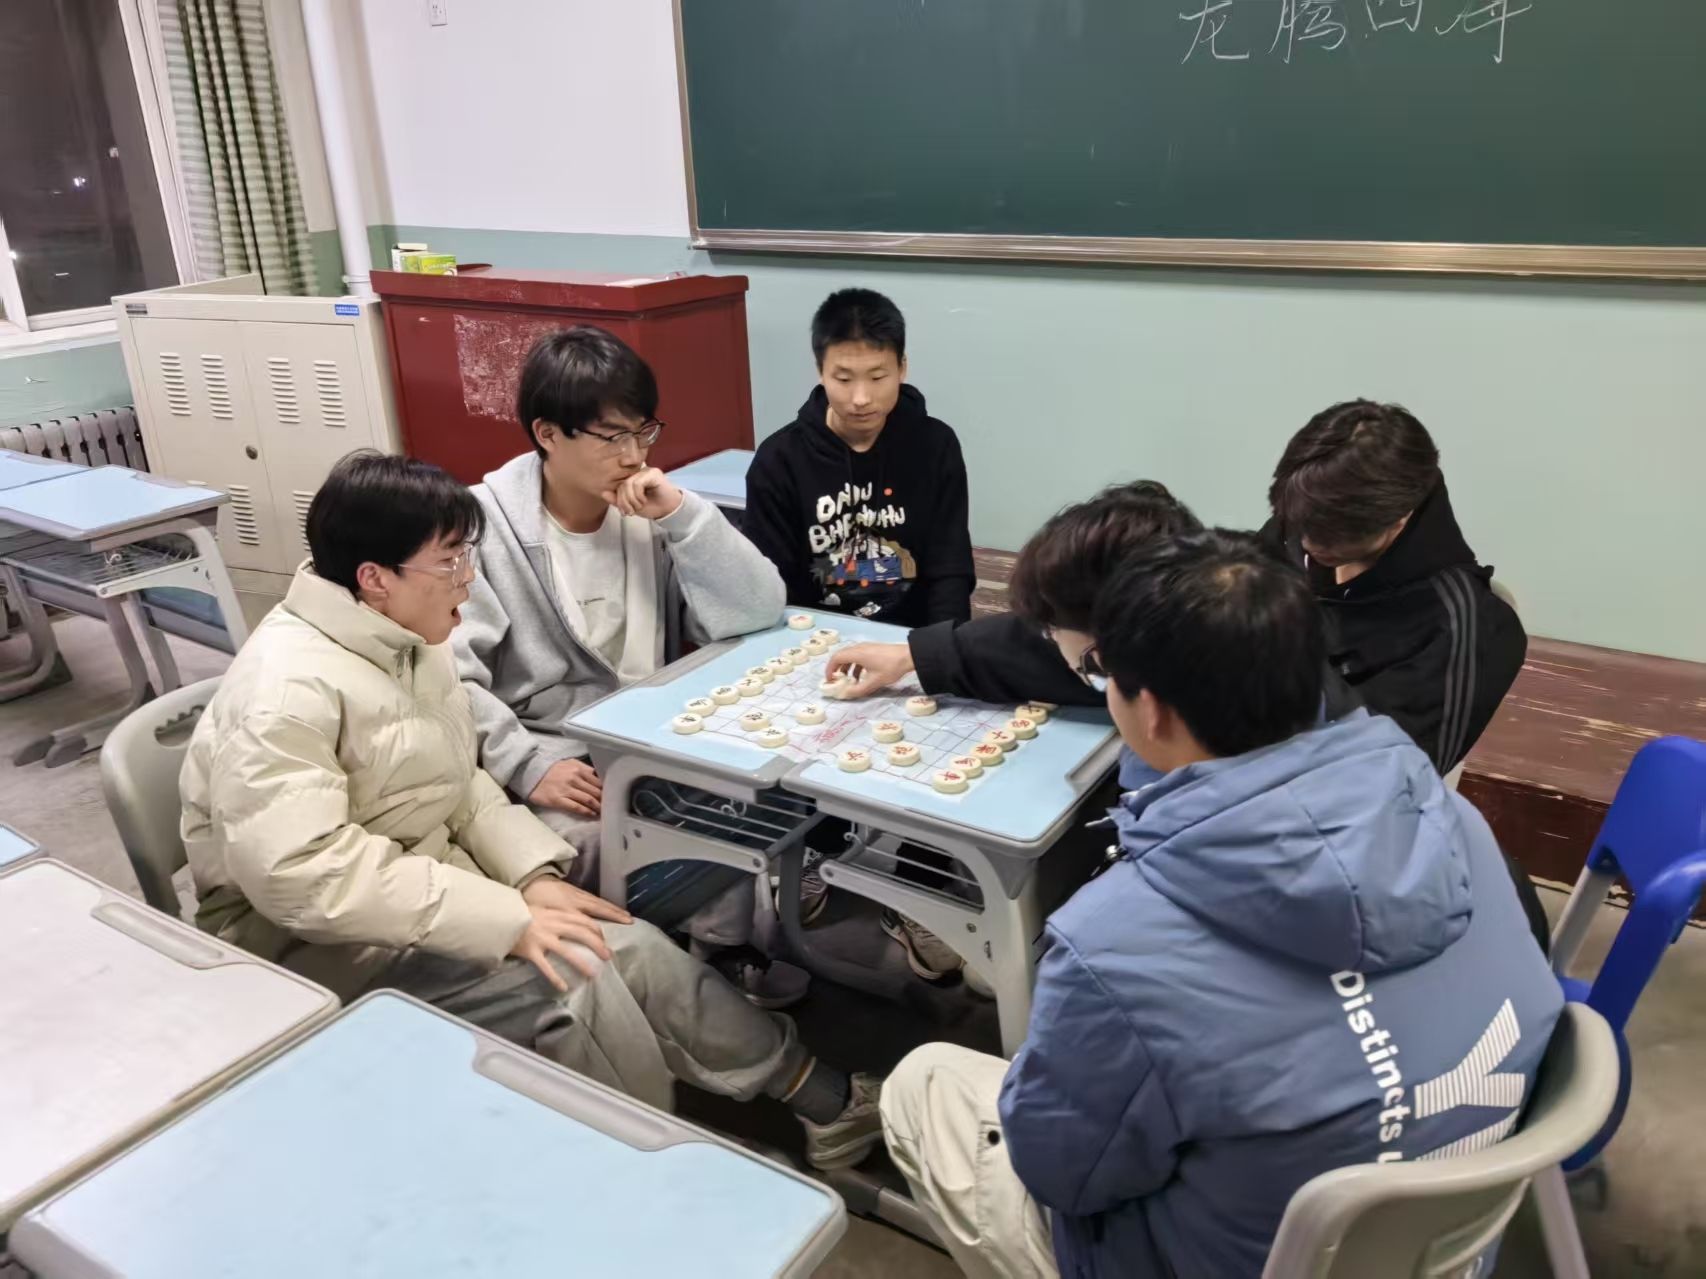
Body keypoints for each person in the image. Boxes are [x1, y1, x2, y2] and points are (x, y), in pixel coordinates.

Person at [879, 531, 1564, 1279]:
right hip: (1440, 1247)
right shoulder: (1458, 822)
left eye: (1102, 671)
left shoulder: (1111, 946)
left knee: (926, 1083)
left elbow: (1061, 1176)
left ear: (1151, 712)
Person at [180, 452, 880, 1170]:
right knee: (579, 984)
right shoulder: (285, 691)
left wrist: (532, 877)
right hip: (306, 948)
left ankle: (820, 1096)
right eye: (450, 561)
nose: (469, 579)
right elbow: (302, 876)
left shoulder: (407, 640)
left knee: (626, 941)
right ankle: (640, 1169)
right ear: (375, 578)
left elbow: (459, 779)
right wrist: (505, 917)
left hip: (419, 892)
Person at [452, 326, 785, 872]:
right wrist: (525, 764)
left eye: (643, 432)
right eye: (611, 437)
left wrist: (684, 515)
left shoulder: (652, 515)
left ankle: (761, 911)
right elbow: (450, 675)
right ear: (547, 433)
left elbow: (759, 610)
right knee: (608, 845)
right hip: (554, 750)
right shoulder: (479, 528)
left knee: (774, 794)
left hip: (658, 733)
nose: (634, 456)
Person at [1265, 398, 1526, 775]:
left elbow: (1389, 779)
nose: (1307, 543)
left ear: (1400, 517)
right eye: (1298, 525)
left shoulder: (1461, 631)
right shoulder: (1308, 520)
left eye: (1329, 536)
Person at [743, 287, 975, 628]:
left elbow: (949, 569)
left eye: (878, 377)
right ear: (820, 371)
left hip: (911, 641)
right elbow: (771, 585)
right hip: (810, 636)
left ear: (902, 368)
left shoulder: (935, 445)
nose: (861, 398)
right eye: (843, 379)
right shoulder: (779, 460)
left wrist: (942, 648)